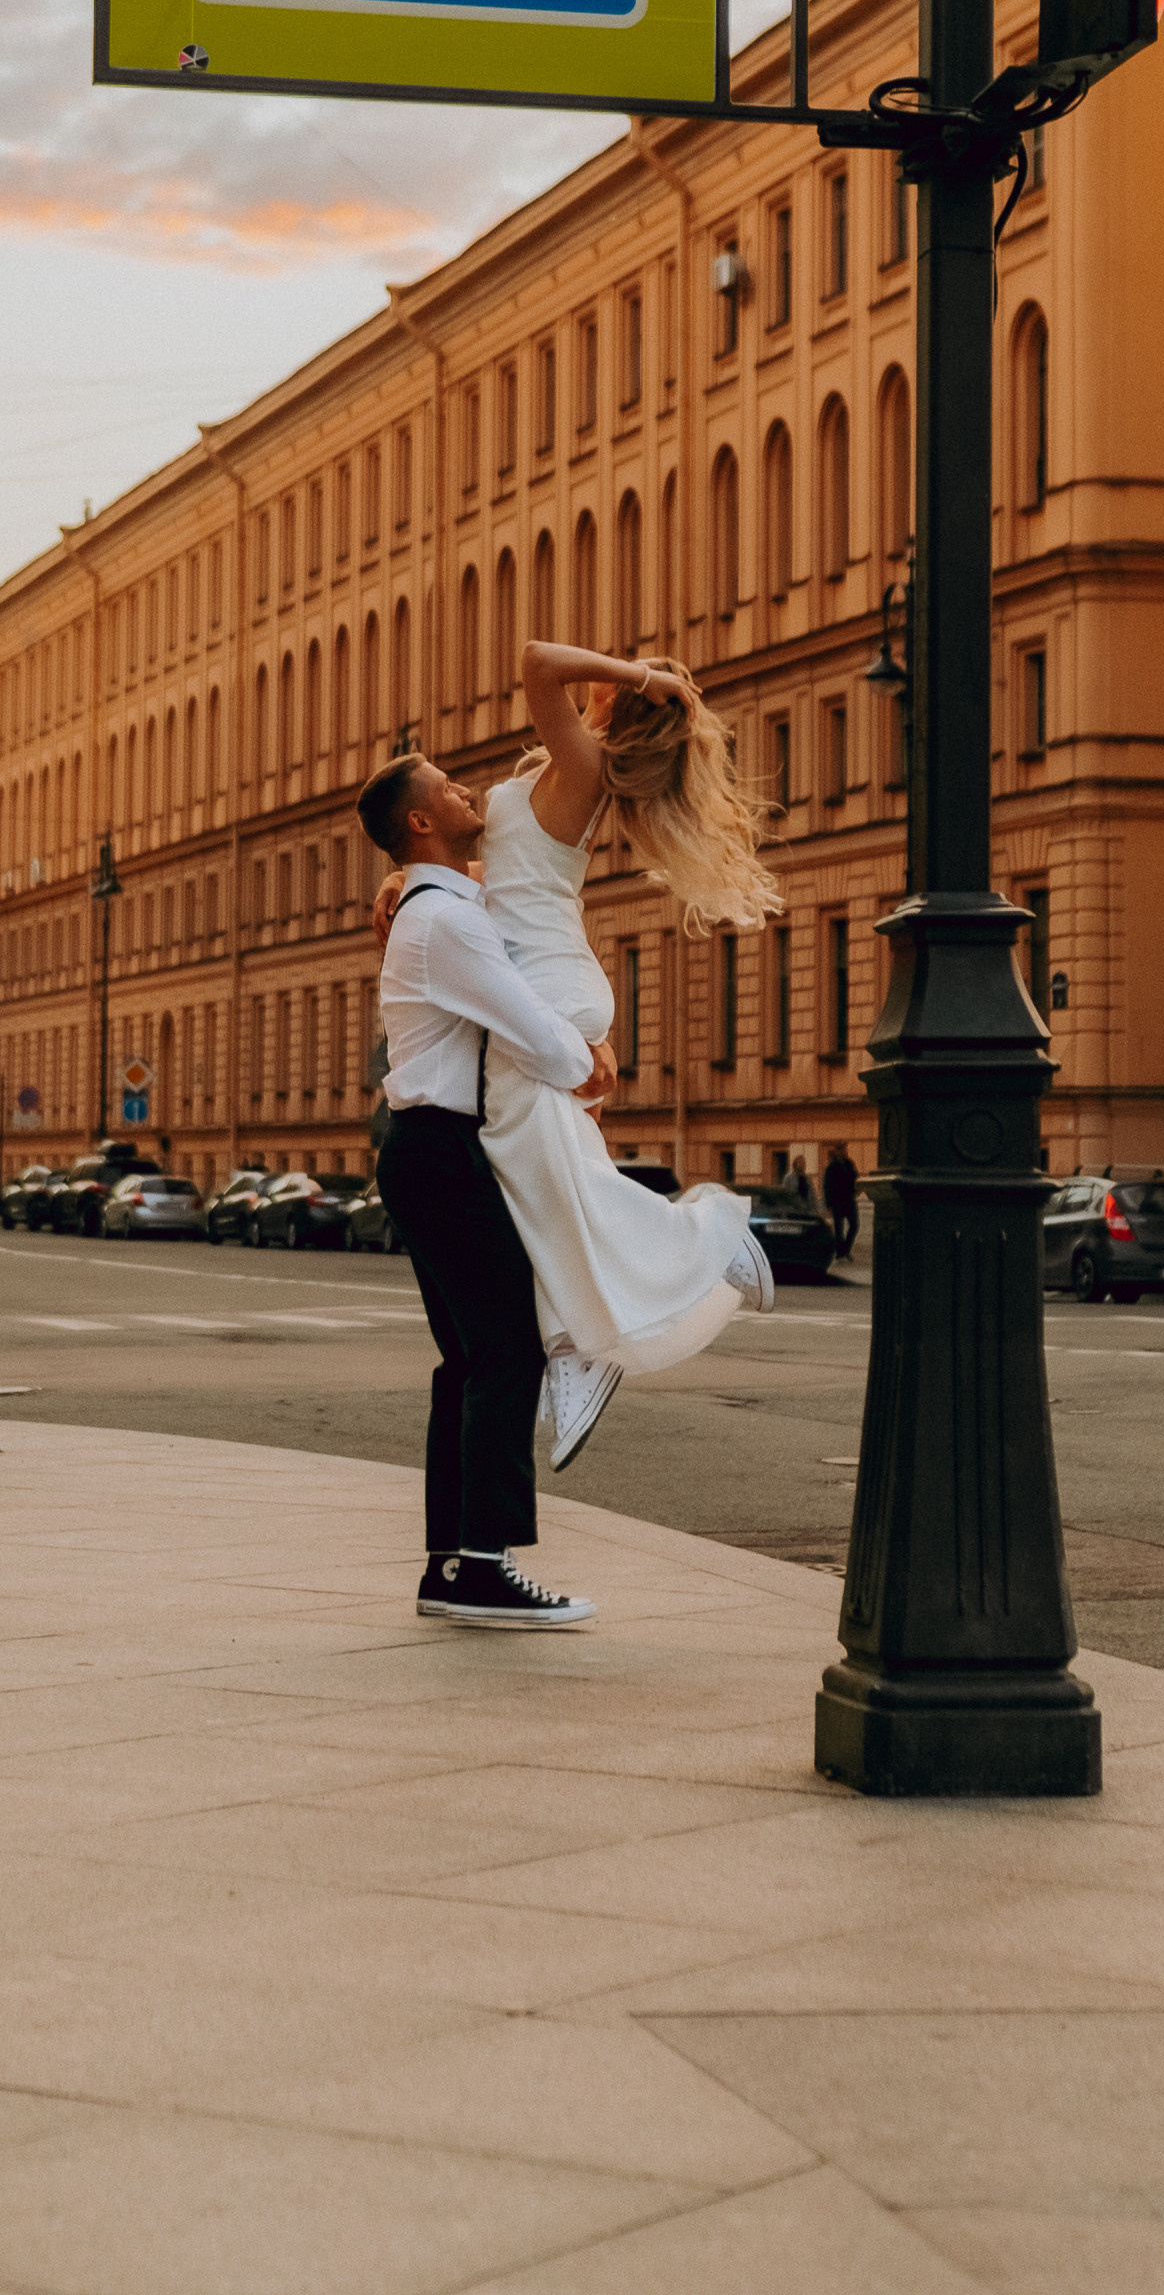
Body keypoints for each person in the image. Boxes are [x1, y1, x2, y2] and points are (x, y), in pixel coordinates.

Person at [373, 642, 783, 1469]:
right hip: (545, 978)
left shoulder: (583, 758)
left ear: (617, 699)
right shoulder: (563, 776)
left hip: (548, 988)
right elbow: (519, 876)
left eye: (623, 669)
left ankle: (705, 1242)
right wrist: (413, 878)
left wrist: (650, 679)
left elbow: (529, 659)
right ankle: (579, 1343)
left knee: (548, 1177)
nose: (606, 668)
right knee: (540, 1182)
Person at [362, 751, 612, 1631]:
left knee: (469, 1361)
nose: (465, 790)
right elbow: (530, 1027)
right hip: (440, 1149)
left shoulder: (440, 907)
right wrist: (588, 1060)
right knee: (506, 1349)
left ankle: (451, 1564)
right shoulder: (447, 924)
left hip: (428, 1148)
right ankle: (483, 1563)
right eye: (447, 787)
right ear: (420, 822)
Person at [823, 1142, 859, 1262]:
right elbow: (827, 1186)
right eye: (843, 1149)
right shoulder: (831, 1167)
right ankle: (840, 1252)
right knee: (839, 1229)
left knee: (854, 1225)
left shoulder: (849, 1164)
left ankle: (844, 1249)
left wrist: (856, 1189)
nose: (846, 1151)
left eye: (846, 1149)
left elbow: (855, 1176)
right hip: (837, 1201)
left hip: (849, 1200)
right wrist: (828, 1204)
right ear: (838, 1151)